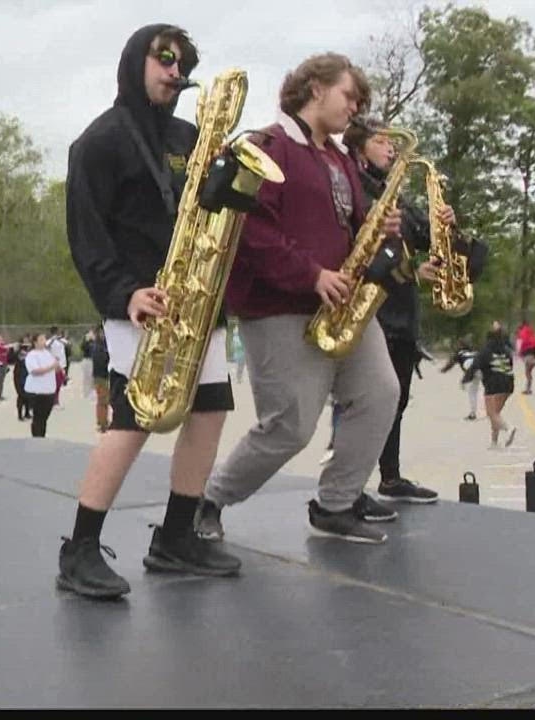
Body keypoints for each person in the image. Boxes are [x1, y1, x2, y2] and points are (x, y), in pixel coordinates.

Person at [56, 23, 242, 600]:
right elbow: (86, 236)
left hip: (197, 300)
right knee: (134, 420)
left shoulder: (191, 136)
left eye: (182, 62)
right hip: (142, 304)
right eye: (164, 58)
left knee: (210, 410)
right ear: (135, 60)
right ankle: (80, 548)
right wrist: (125, 294)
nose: (175, 71)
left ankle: (177, 536)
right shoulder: (99, 141)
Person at [194, 52, 399, 546]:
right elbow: (247, 231)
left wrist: (377, 229)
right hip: (279, 308)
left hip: (342, 305)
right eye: (349, 96)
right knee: (289, 426)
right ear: (316, 88)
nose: (355, 108)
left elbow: (347, 227)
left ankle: (336, 504)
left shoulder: (339, 157)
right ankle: (207, 501)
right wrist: (311, 275)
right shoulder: (266, 146)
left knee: (380, 393)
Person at [336, 117, 488, 514]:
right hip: (368, 314)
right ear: (358, 148)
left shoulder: (396, 197)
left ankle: (390, 477)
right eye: (381, 141)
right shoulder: (351, 189)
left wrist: (447, 226)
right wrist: (412, 271)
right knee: (361, 404)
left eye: (391, 142)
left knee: (396, 400)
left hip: (400, 315)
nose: (390, 148)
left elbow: (427, 238)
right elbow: (352, 251)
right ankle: (345, 489)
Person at [463, 320, 518, 449]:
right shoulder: (506, 350)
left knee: (491, 413)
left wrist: (465, 380)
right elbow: (510, 365)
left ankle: (509, 428)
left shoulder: (485, 351)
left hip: (494, 384)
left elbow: (474, 367)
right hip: (509, 383)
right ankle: (494, 442)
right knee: (496, 414)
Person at [23, 333, 59, 438]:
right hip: (36, 391)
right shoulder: (32, 355)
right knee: (38, 417)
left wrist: (57, 366)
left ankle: (42, 435)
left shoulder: (48, 353)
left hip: (49, 390)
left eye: (44, 339)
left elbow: (56, 369)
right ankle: (37, 437)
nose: (44, 341)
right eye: (41, 339)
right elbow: (35, 371)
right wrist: (51, 367)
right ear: (35, 342)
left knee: (44, 417)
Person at [441, 334, 481, 421]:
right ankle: (493, 412)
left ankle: (473, 414)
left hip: (471, 370)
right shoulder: (475, 352)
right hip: (481, 369)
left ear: (460, 345)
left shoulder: (459, 353)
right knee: (488, 390)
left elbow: (451, 364)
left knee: (472, 392)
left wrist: (443, 370)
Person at [91, 323, 111, 433]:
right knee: (102, 401)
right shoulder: (98, 346)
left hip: (104, 375)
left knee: (105, 401)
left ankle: (104, 421)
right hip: (101, 376)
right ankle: (102, 423)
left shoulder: (104, 344)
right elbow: (101, 361)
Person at [47, 325, 69, 407]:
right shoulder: (50, 341)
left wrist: (59, 338)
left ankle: (55, 400)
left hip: (62, 364)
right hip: (54, 365)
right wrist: (53, 339)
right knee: (55, 384)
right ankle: (54, 401)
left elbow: (67, 344)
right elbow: (46, 346)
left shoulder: (61, 340)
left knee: (59, 383)